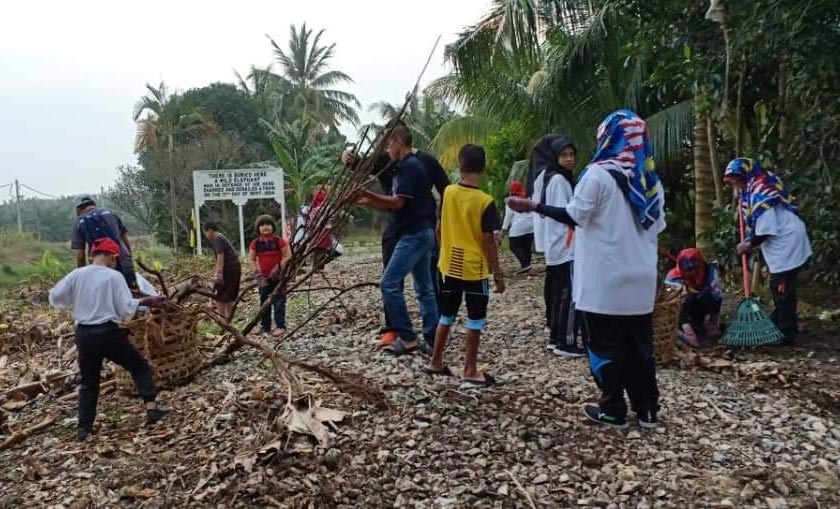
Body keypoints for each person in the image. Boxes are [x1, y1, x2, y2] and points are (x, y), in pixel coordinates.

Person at [509, 109, 666, 430]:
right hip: (641, 283)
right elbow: (656, 227)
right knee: (640, 348)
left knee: (605, 347)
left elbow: (575, 215)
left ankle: (613, 410)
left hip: (604, 283)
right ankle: (647, 410)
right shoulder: (651, 182)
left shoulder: (597, 175)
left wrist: (535, 206)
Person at [48, 238, 169, 441]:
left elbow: (55, 297)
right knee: (139, 366)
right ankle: (151, 409)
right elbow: (125, 309)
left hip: (84, 335)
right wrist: (148, 301)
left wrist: (79, 300)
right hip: (107, 332)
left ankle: (84, 428)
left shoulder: (76, 275)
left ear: (93, 255)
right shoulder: (113, 277)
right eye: (116, 259)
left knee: (89, 381)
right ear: (112, 257)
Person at [344, 120, 449, 348]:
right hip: (420, 231)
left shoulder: (409, 167)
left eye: (388, 144)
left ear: (398, 142)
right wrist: (368, 201)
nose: (386, 150)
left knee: (389, 283)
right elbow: (397, 202)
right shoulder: (407, 165)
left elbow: (398, 202)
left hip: (414, 234)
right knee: (424, 288)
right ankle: (432, 338)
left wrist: (368, 196)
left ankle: (408, 337)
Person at [426, 144, 505, 386]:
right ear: (483, 168)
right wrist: (498, 273)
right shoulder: (485, 202)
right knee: (475, 319)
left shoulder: (448, 193)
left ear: (460, 166)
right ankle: (470, 368)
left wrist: (444, 251)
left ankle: (436, 361)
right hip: (474, 269)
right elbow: (488, 241)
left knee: (446, 315)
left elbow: (439, 227)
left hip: (449, 265)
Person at [723, 157, 812, 344]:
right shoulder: (756, 186)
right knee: (779, 288)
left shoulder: (760, 194)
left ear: (746, 177)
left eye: (738, 181)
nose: (736, 185)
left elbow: (766, 231)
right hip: (785, 242)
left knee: (782, 288)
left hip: (787, 244)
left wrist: (746, 245)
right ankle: (780, 323)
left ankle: (787, 334)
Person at [531, 135, 586, 358]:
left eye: (571, 155)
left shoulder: (551, 179)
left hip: (557, 246)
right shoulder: (560, 182)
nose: (569, 159)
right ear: (555, 157)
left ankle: (555, 338)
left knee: (558, 295)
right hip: (567, 247)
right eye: (564, 155)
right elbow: (567, 214)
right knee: (570, 295)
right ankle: (566, 340)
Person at [71, 196, 137, 290]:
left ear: (80, 209)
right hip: (123, 259)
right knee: (132, 293)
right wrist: (129, 258)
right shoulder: (111, 214)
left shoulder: (79, 221)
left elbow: (80, 255)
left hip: (101, 265)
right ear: (94, 205)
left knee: (107, 297)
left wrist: (83, 276)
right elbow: (125, 239)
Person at [665, 248, 722, 347]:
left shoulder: (710, 271)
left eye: (695, 268)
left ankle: (711, 322)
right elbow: (671, 303)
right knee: (678, 301)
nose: (693, 272)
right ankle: (686, 328)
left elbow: (717, 293)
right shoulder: (673, 277)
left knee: (713, 295)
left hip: (704, 303)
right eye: (689, 270)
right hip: (684, 311)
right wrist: (686, 327)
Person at [249, 215, 292, 338]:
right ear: (258, 228)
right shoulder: (255, 243)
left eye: (268, 224)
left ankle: (280, 326)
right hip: (263, 278)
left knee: (279, 302)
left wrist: (278, 267)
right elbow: (251, 259)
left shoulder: (279, 241)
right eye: (262, 225)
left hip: (278, 278)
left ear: (273, 226)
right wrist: (257, 274)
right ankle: (265, 326)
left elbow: (288, 255)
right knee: (264, 302)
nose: (265, 227)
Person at [202, 222, 242, 321]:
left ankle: (222, 319)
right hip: (235, 267)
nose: (206, 236)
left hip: (228, 269)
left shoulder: (217, 238)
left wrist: (218, 274)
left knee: (218, 295)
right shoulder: (221, 237)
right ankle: (228, 319)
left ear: (210, 230)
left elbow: (220, 255)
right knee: (229, 295)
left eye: (205, 233)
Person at [501, 180, 534, 274]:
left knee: (513, 244)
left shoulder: (510, 200)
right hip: (531, 225)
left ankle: (525, 264)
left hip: (519, 226)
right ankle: (527, 265)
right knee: (526, 245)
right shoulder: (528, 197)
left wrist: (504, 229)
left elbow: (508, 216)